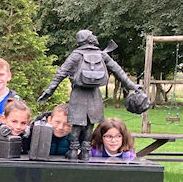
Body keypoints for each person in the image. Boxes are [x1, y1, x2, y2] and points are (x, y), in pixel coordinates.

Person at [37, 29, 143, 161]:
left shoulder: (76, 54)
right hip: (94, 94)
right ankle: (85, 152)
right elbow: (118, 71)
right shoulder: (101, 54)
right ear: (88, 38)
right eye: (92, 35)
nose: (94, 36)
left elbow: (61, 72)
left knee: (76, 123)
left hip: (78, 93)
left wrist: (49, 90)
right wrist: (132, 86)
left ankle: (73, 151)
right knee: (89, 123)